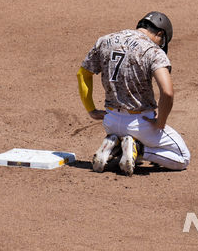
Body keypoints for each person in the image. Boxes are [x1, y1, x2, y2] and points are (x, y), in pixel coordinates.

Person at [76, 11, 190, 176]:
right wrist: (160, 122)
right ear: (160, 34)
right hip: (140, 124)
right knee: (182, 157)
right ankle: (139, 148)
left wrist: (91, 110)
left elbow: (83, 74)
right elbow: (167, 92)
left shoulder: (105, 41)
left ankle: (115, 145)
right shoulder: (153, 51)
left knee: (125, 138)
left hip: (111, 121)